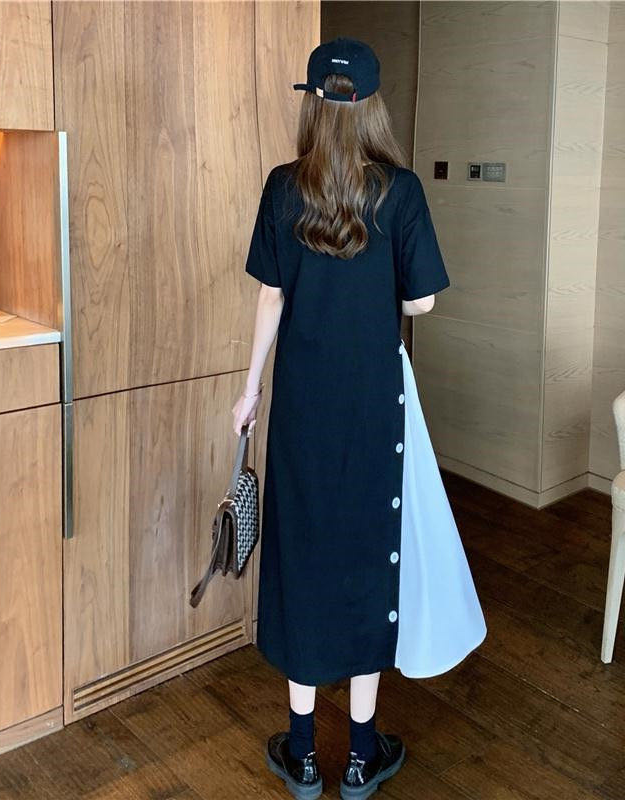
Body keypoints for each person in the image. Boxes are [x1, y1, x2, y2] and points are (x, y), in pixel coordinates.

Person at [231, 37, 486, 800]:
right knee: (372, 557)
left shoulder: (283, 188)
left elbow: (270, 295)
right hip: (376, 403)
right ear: (371, 106)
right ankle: (361, 757)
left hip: (301, 404)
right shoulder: (399, 192)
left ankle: (303, 753)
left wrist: (249, 390)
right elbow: (422, 301)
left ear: (314, 102)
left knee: (303, 557)